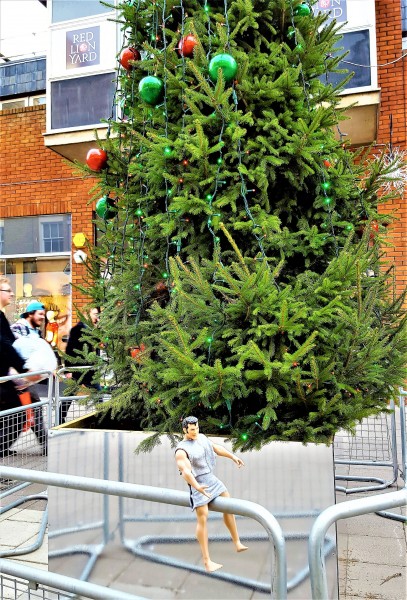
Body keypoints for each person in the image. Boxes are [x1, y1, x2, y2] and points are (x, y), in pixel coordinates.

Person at [175, 416, 248, 573]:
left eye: (197, 428)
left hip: (211, 479)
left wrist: (233, 456)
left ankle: (237, 542)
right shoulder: (182, 450)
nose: (195, 432)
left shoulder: (201, 438)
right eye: (192, 430)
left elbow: (215, 447)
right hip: (198, 483)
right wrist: (197, 487)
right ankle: (207, 561)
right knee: (203, 518)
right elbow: (186, 472)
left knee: (228, 505)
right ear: (185, 430)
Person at [0, 278, 39, 458]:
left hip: (5, 379)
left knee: (14, 416)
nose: (12, 293)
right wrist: (24, 368)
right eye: (7, 290)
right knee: (17, 416)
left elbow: (12, 343)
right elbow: (5, 345)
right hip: (3, 381)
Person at [11, 301, 48, 455]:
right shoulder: (17, 328)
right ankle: (47, 446)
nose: (42, 317)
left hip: (27, 379)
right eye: (40, 314)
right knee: (31, 410)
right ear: (30, 313)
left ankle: (3, 446)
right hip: (18, 378)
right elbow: (14, 351)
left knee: (20, 414)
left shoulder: (36, 332)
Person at [61, 307, 100, 423]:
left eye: (98, 315)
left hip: (88, 369)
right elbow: (69, 350)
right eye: (95, 314)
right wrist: (68, 369)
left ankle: (102, 415)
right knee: (70, 395)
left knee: (98, 393)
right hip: (78, 369)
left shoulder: (91, 329)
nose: (97, 317)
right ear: (87, 314)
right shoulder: (78, 329)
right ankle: (60, 417)